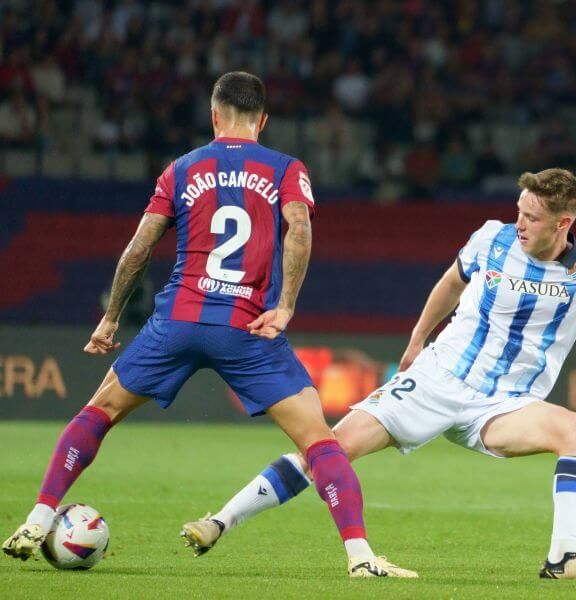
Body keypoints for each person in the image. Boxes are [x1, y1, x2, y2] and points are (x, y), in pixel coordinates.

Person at [180, 167, 576, 582]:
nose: (518, 222)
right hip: (438, 379)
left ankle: (562, 559)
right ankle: (219, 521)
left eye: (531, 216)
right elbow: (450, 282)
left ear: (563, 222)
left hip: (503, 405)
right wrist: (417, 339)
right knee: (330, 448)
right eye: (518, 211)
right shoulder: (490, 238)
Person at [2, 72, 415, 579]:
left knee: (99, 411)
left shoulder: (181, 169)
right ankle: (360, 557)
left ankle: (36, 520)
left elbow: (139, 248)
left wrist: (110, 318)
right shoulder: (286, 169)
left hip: (177, 321)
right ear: (263, 120)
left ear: (214, 115)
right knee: (320, 443)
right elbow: (300, 230)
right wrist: (285, 306)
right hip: (246, 329)